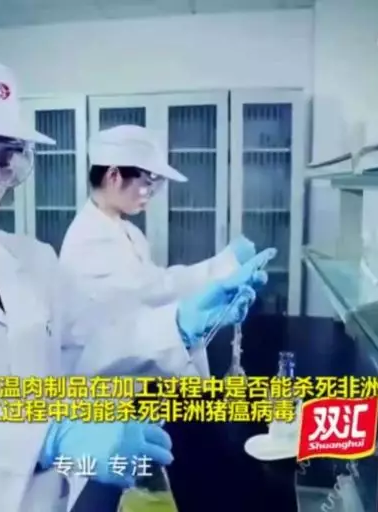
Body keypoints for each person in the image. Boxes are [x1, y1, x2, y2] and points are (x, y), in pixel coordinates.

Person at [0, 52, 276, 512]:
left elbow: (88, 342)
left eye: (6, 162)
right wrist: (48, 437)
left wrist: (175, 326)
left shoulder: (32, 259)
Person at [58, 125, 265, 512]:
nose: (150, 192)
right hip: (106, 393)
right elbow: (154, 291)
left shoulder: (125, 231)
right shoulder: (89, 239)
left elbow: (154, 293)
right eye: (147, 181)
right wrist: (220, 267)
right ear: (114, 175)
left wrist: (212, 305)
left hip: (136, 381)